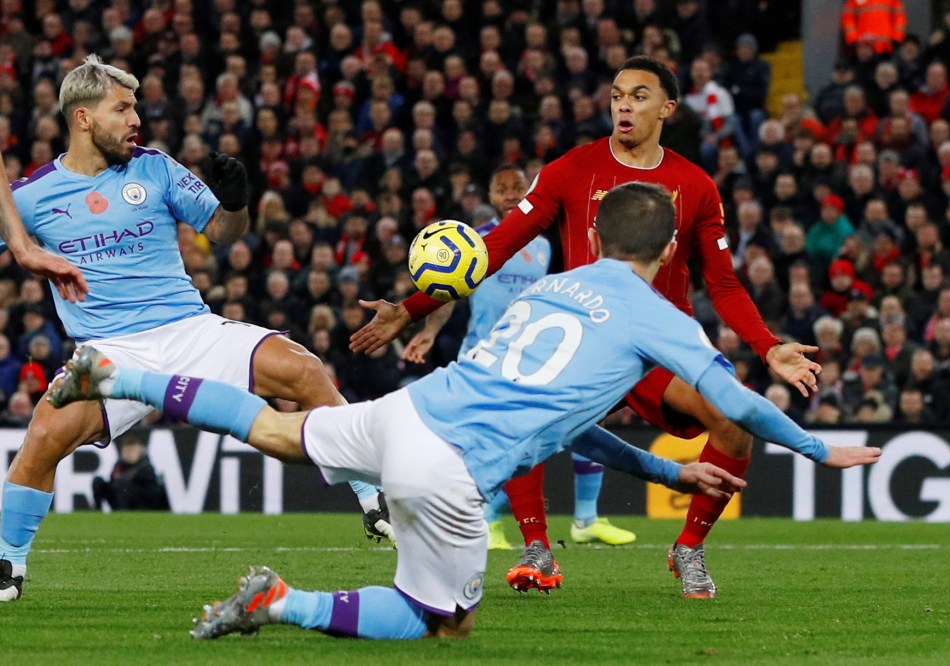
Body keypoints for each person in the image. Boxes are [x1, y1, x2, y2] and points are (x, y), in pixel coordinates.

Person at [48, 182, 881, 640]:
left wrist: (663, 469)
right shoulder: (660, 317)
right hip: (446, 468)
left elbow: (565, 426)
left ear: (593, 233)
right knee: (439, 623)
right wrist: (817, 450)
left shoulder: (551, 285)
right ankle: (282, 603)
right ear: (668, 250)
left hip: (402, 411)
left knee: (271, 428)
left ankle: (119, 375)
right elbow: (734, 402)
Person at [348, 56, 822, 599]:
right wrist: (408, 309)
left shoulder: (695, 185)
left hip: (657, 344)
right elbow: (495, 247)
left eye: (639, 95)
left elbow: (724, 284)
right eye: (618, 93)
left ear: (667, 108)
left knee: (734, 419)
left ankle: (689, 547)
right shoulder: (571, 170)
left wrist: (767, 347)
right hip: (587, 339)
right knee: (523, 413)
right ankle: (537, 548)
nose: (624, 103)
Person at [0, 56, 387, 604]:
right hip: (111, 349)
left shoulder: (155, 167)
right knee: (42, 436)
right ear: (83, 118)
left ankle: (373, 502)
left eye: (135, 107)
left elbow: (225, 231)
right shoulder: (31, 196)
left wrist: (235, 203)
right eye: (123, 108)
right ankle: (8, 565)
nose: (137, 119)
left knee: (302, 370)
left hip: (190, 327)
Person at [402, 164, 635, 574]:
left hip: (533, 359)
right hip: (484, 357)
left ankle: (585, 519)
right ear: (489, 195)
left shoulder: (543, 246)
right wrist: (430, 329)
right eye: (501, 187)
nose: (511, 194)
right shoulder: (475, 242)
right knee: (499, 445)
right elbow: (449, 289)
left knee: (577, 425)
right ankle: (486, 522)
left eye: (517, 187)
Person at [91, 431, 169, 511]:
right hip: (119, 499)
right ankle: (97, 511)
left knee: (122, 484)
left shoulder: (146, 467)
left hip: (141, 504)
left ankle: (122, 514)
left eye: (131, 451)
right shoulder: (118, 466)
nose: (128, 454)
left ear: (139, 450)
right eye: (126, 451)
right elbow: (112, 483)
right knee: (98, 481)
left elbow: (152, 493)